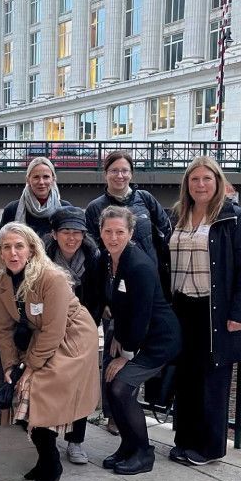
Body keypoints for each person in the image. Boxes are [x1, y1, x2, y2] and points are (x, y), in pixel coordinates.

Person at [0, 223, 99, 481]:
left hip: (71, 338)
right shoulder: (1, 283)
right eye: (6, 247)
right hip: (39, 338)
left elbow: (54, 330)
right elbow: (4, 329)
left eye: (19, 246)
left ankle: (52, 466)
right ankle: (44, 459)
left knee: (35, 389)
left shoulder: (51, 278)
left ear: (31, 250)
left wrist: (30, 369)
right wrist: (10, 366)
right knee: (19, 388)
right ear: (0, 253)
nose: (13, 253)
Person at [169, 156, 241, 465]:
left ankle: (209, 448)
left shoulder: (232, 217)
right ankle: (185, 440)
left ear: (217, 182)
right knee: (187, 377)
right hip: (183, 307)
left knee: (213, 380)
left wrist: (239, 314)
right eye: (194, 179)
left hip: (215, 309)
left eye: (207, 178)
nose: (201, 184)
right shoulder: (179, 214)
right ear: (187, 184)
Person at [85, 151, 171, 436]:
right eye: (114, 170)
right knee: (114, 348)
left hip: (147, 288)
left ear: (131, 173)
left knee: (143, 349)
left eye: (124, 170)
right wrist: (103, 299)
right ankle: (114, 413)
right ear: (105, 174)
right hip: (116, 293)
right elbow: (93, 254)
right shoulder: (95, 208)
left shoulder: (145, 200)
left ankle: (141, 406)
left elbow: (166, 232)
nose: (119, 175)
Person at [98, 207, 181, 476]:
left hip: (158, 340)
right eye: (108, 231)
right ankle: (128, 446)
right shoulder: (108, 259)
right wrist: (117, 335)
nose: (113, 237)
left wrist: (126, 355)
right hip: (134, 336)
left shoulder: (139, 265)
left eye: (120, 232)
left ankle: (144, 453)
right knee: (111, 385)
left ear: (131, 233)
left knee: (121, 387)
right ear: (100, 232)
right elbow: (121, 304)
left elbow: (141, 316)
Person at [45, 206, 102, 464]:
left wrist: (86, 326)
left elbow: (99, 297)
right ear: (54, 234)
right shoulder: (43, 259)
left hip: (83, 329)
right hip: (49, 328)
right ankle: (46, 441)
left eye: (77, 232)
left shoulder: (94, 258)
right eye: (66, 231)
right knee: (50, 384)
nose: (72, 237)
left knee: (80, 385)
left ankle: (76, 440)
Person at [1, 157, 72, 237]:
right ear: (28, 180)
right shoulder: (12, 210)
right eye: (36, 177)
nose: (41, 182)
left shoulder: (65, 209)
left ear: (53, 179)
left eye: (46, 177)